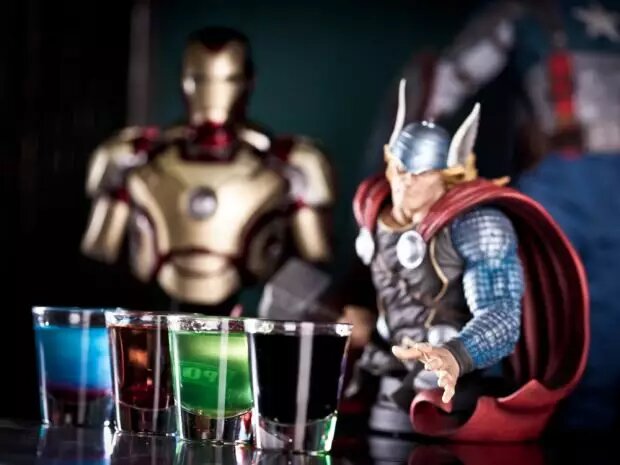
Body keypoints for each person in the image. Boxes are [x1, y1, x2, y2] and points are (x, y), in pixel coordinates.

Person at [360, 0, 620, 432]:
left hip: (576, 181)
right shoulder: (526, 11)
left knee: (599, 338)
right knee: (538, 326)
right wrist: (414, 144)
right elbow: (445, 77)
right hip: (562, 174)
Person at [343, 81, 588, 441]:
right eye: (399, 169)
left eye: (421, 174)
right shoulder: (372, 209)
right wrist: (353, 320)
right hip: (386, 376)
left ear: (446, 176)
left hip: (451, 388)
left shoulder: (475, 224)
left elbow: (502, 313)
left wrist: (456, 355)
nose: (406, 184)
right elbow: (380, 284)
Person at [80, 27, 334, 314]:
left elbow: (314, 264)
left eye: (229, 79)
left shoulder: (291, 163)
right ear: (184, 80)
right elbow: (98, 259)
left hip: (252, 312)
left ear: (247, 82)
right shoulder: (133, 157)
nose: (214, 92)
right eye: (200, 79)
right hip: (153, 311)